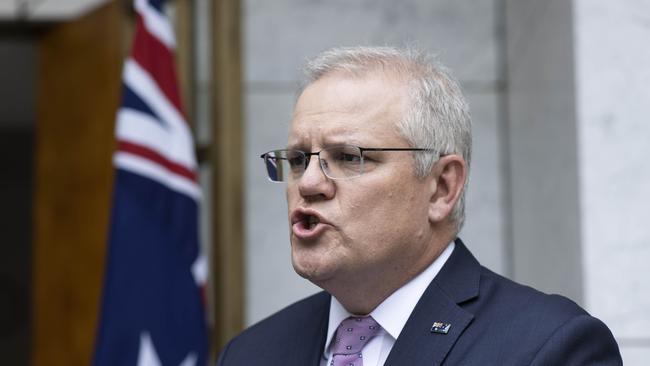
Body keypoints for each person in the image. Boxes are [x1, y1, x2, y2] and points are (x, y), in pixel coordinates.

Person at [217, 46, 622, 365]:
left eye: (350, 157)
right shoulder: (251, 353)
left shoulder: (548, 348)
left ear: (442, 188)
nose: (308, 183)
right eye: (298, 159)